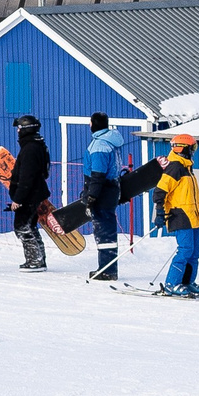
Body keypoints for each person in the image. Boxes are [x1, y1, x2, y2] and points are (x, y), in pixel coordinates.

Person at [80, 114, 130, 281]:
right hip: (113, 188)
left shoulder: (100, 145)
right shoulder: (112, 142)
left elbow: (98, 173)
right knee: (107, 229)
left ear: (93, 124)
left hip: (102, 190)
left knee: (103, 231)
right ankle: (108, 268)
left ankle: (107, 270)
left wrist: (91, 195)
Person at [155, 137, 199, 297]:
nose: (193, 151)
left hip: (192, 215)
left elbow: (188, 194)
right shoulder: (175, 167)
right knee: (185, 249)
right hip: (180, 215)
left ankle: (187, 282)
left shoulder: (187, 168)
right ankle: (172, 284)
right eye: (192, 148)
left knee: (196, 249)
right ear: (183, 148)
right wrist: (159, 212)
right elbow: (159, 191)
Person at [7, 114, 53, 270]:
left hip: (30, 195)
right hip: (35, 193)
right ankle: (38, 259)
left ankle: (35, 261)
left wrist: (18, 199)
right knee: (30, 226)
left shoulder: (30, 149)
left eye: (19, 128)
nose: (17, 131)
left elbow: (27, 177)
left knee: (22, 227)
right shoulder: (37, 145)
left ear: (26, 129)